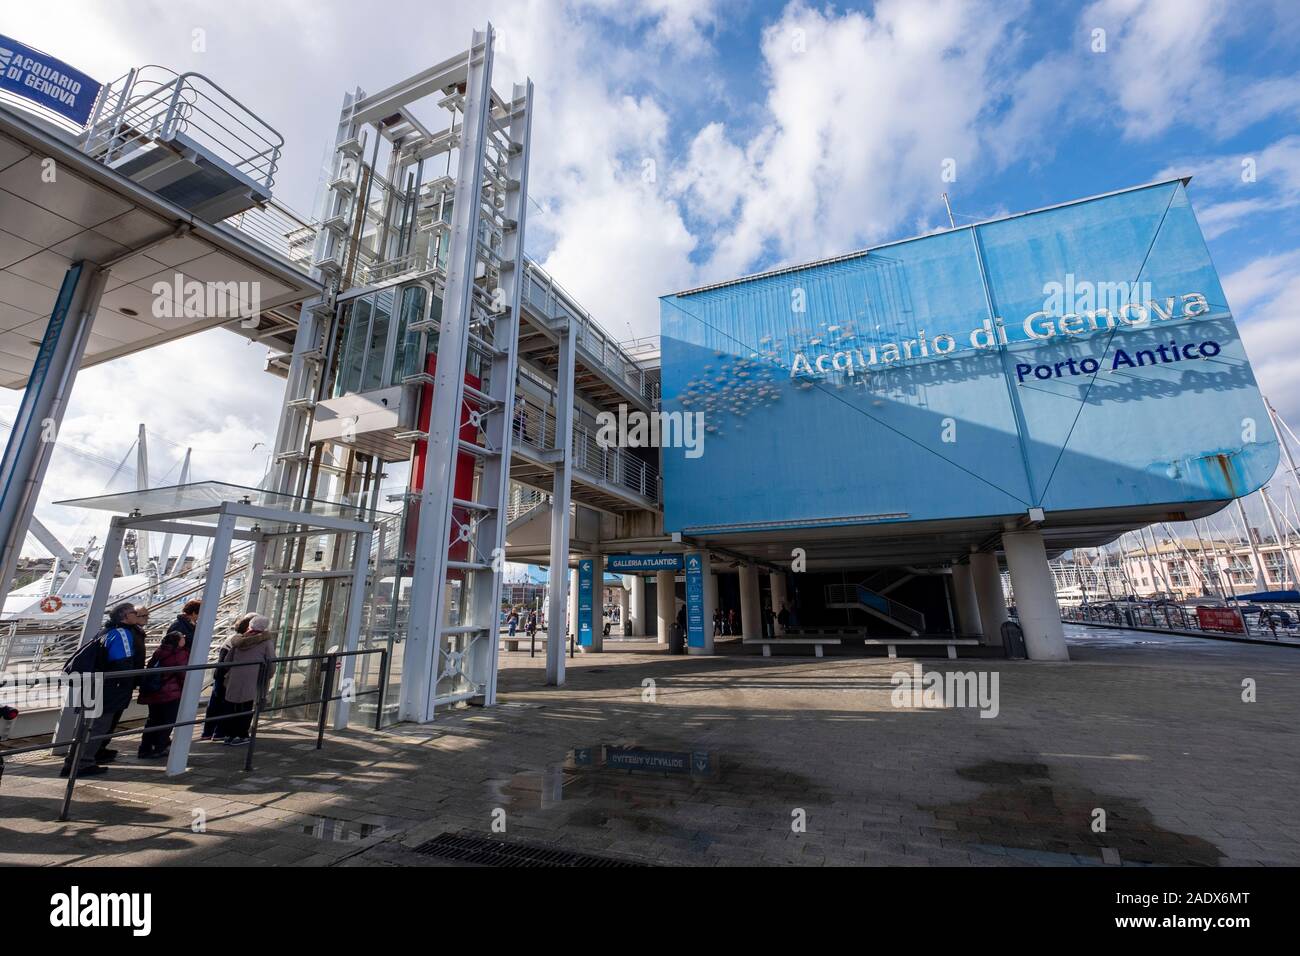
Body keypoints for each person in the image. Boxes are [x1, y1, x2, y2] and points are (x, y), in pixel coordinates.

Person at [60, 602, 147, 778]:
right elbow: (122, 663)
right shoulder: (121, 633)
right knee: (98, 726)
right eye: (133, 612)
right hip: (107, 688)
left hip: (94, 684)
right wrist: (130, 682)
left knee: (86, 726)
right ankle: (83, 763)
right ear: (125, 616)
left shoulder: (105, 631)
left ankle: (73, 761)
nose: (136, 615)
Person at [219, 614, 275, 745]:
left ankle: (228, 734)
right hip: (252, 677)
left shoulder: (238, 640)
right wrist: (269, 675)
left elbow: (228, 660)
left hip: (234, 677)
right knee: (246, 706)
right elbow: (271, 661)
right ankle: (241, 734)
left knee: (231, 705)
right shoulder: (266, 642)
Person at [137, 630, 190, 759]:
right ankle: (159, 747)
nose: (185, 638)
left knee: (153, 720)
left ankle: (145, 748)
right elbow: (183, 675)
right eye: (182, 637)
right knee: (167, 721)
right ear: (178, 641)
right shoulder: (180, 654)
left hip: (154, 692)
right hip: (170, 693)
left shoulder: (160, 651)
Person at [201, 612, 255, 741]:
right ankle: (219, 732)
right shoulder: (239, 641)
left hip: (221, 675)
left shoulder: (232, 638)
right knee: (225, 704)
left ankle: (209, 731)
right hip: (227, 677)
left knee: (216, 704)